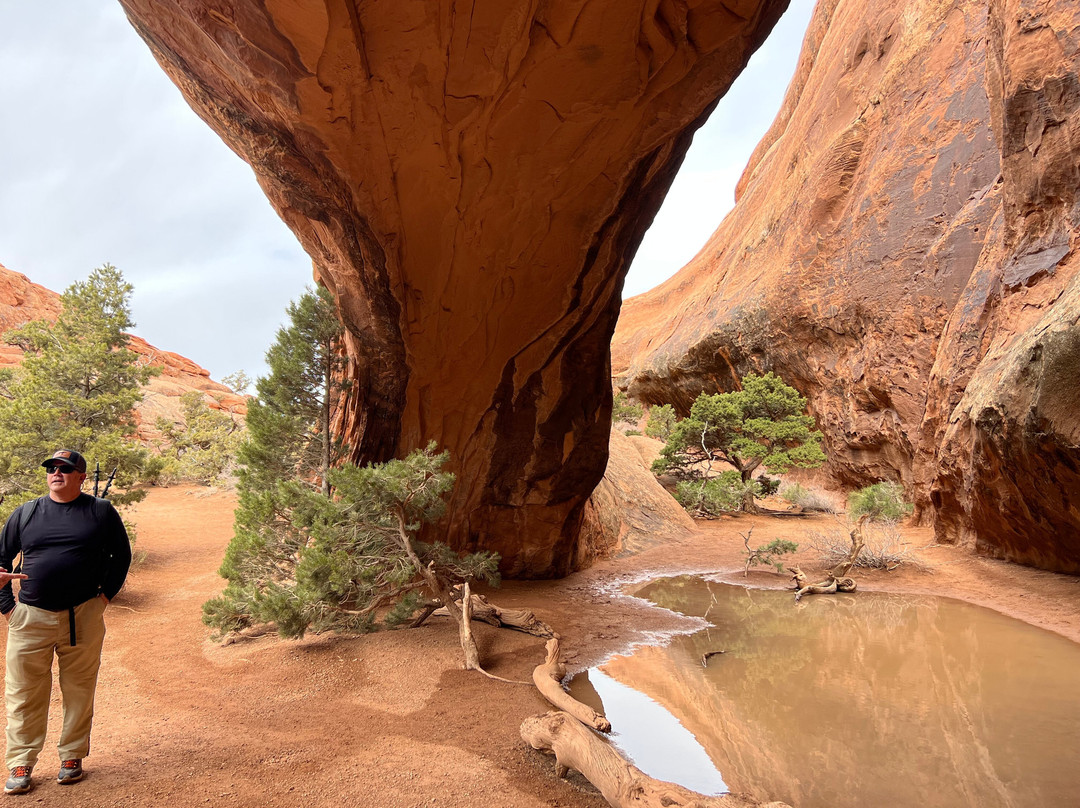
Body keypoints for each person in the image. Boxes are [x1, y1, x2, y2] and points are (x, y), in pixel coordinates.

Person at [0, 450, 131, 795]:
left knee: (79, 689)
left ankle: (72, 756)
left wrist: (104, 599)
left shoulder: (100, 511)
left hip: (83, 615)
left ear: (81, 477)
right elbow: (0, 559)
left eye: (65, 469)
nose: (56, 473)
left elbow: (121, 556)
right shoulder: (26, 513)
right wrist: (7, 607)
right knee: (23, 692)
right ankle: (21, 762)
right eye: (51, 468)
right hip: (29, 617)